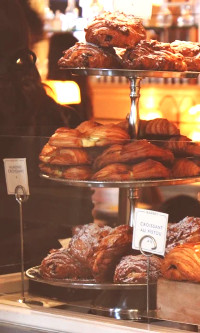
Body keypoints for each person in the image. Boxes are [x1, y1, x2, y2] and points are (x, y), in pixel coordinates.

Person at [0, 0, 93, 274]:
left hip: (26, 256)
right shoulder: (54, 115)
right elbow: (77, 211)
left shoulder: (48, 116)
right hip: (43, 259)